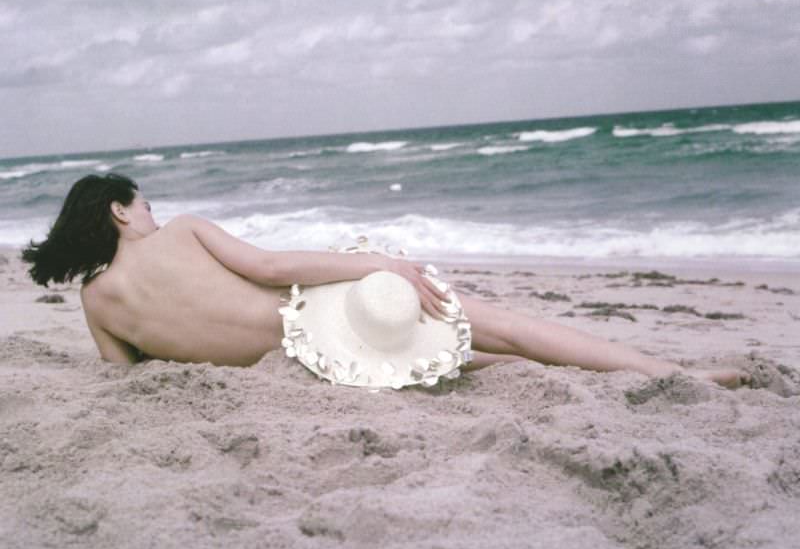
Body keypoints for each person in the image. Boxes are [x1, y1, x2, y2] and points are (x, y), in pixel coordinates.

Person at [22, 173, 748, 388]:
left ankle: (626, 375)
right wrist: (382, 265)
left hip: (308, 367)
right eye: (144, 200)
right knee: (489, 324)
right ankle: (676, 372)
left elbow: (125, 382)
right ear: (120, 210)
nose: (156, 209)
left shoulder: (98, 300)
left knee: (470, 355)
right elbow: (273, 270)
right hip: (318, 322)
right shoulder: (184, 232)